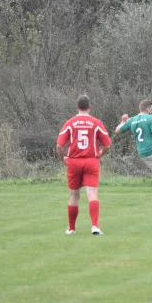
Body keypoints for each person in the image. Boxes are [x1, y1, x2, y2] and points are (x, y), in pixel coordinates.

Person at [57, 95, 112, 235]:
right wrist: (99, 154)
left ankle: (71, 228)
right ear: (89, 107)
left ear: (77, 107)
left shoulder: (70, 123)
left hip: (73, 161)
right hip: (91, 161)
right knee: (92, 193)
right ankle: (95, 226)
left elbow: (59, 145)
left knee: (74, 195)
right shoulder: (96, 122)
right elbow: (107, 145)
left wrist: (63, 158)